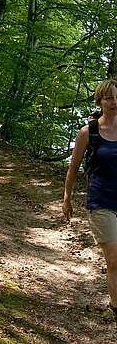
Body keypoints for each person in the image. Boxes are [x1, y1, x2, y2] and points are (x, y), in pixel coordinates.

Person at [62, 78, 117, 321]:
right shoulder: (89, 132)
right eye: (108, 97)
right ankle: (116, 308)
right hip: (101, 201)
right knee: (115, 258)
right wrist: (67, 197)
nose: (114, 101)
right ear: (100, 101)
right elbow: (73, 167)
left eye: (116, 97)